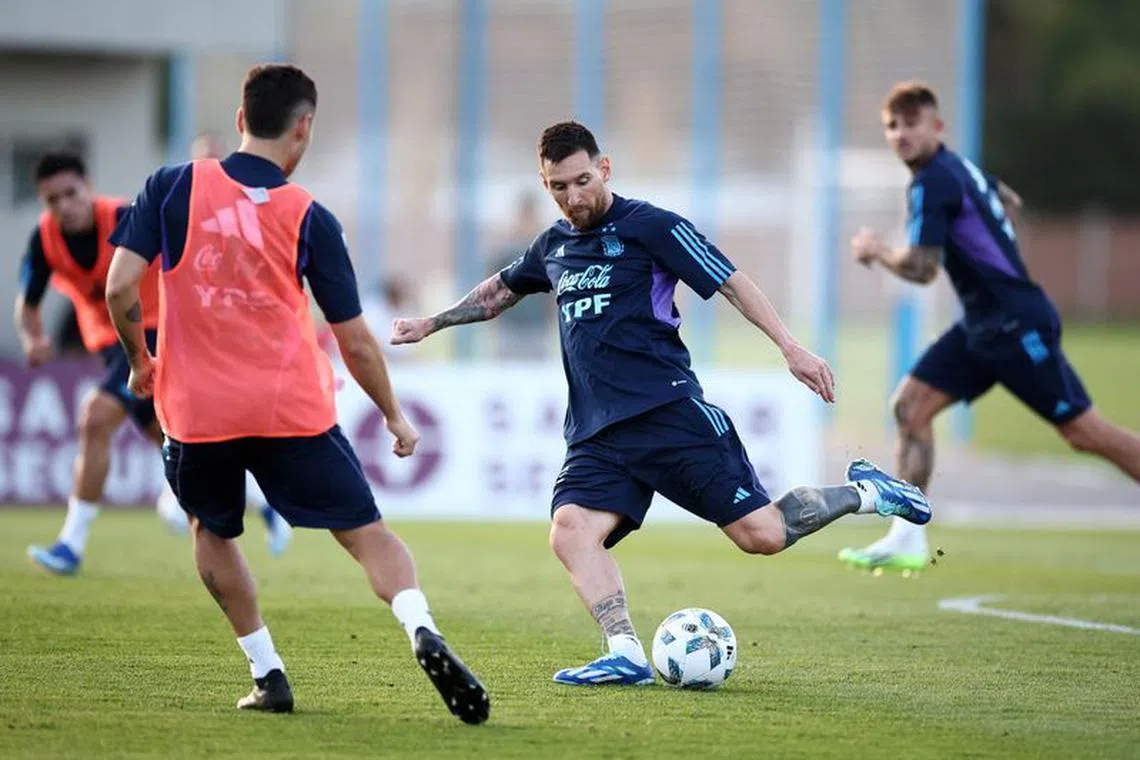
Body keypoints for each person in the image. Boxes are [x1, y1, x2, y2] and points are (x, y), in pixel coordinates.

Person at [391, 121, 931, 686]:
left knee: (763, 536)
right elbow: (501, 289)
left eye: (581, 180)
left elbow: (730, 281)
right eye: (558, 187)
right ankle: (624, 652)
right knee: (570, 530)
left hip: (668, 414)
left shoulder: (653, 227)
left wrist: (790, 347)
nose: (572, 197)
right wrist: (433, 322)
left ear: (604, 168)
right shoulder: (553, 244)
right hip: (597, 434)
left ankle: (868, 491)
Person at [103, 63, 490, 722]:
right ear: (303, 128)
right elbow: (356, 340)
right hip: (290, 409)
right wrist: (394, 415)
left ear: (239, 119)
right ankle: (419, 625)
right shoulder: (308, 215)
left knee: (212, 530)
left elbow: (117, 287)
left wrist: (141, 360)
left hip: (197, 412)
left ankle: (268, 674)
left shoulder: (172, 187)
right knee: (367, 534)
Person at [839, 81, 1140, 573]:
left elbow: (921, 268)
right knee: (910, 408)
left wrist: (876, 250)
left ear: (937, 127)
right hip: (983, 325)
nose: (901, 135)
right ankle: (906, 538)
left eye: (912, 123)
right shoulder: (960, 169)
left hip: (1017, 323)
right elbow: (1008, 197)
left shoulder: (931, 182)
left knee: (1086, 433)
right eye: (893, 126)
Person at [18, 151, 184, 575]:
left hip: (153, 332)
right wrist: (32, 337)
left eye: (70, 193)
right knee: (172, 440)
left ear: (88, 187)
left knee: (96, 417)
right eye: (51, 200)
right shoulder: (45, 239)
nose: (63, 206)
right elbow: (28, 303)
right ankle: (250, 498)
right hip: (112, 348)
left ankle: (71, 545)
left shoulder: (127, 217)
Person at [154, 128, 295, 555]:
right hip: (183, 350)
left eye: (212, 159)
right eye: (199, 159)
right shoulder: (175, 206)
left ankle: (249, 508)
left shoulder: (251, 213)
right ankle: (258, 507)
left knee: (212, 452)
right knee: (198, 452)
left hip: (231, 353)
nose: (206, 169)